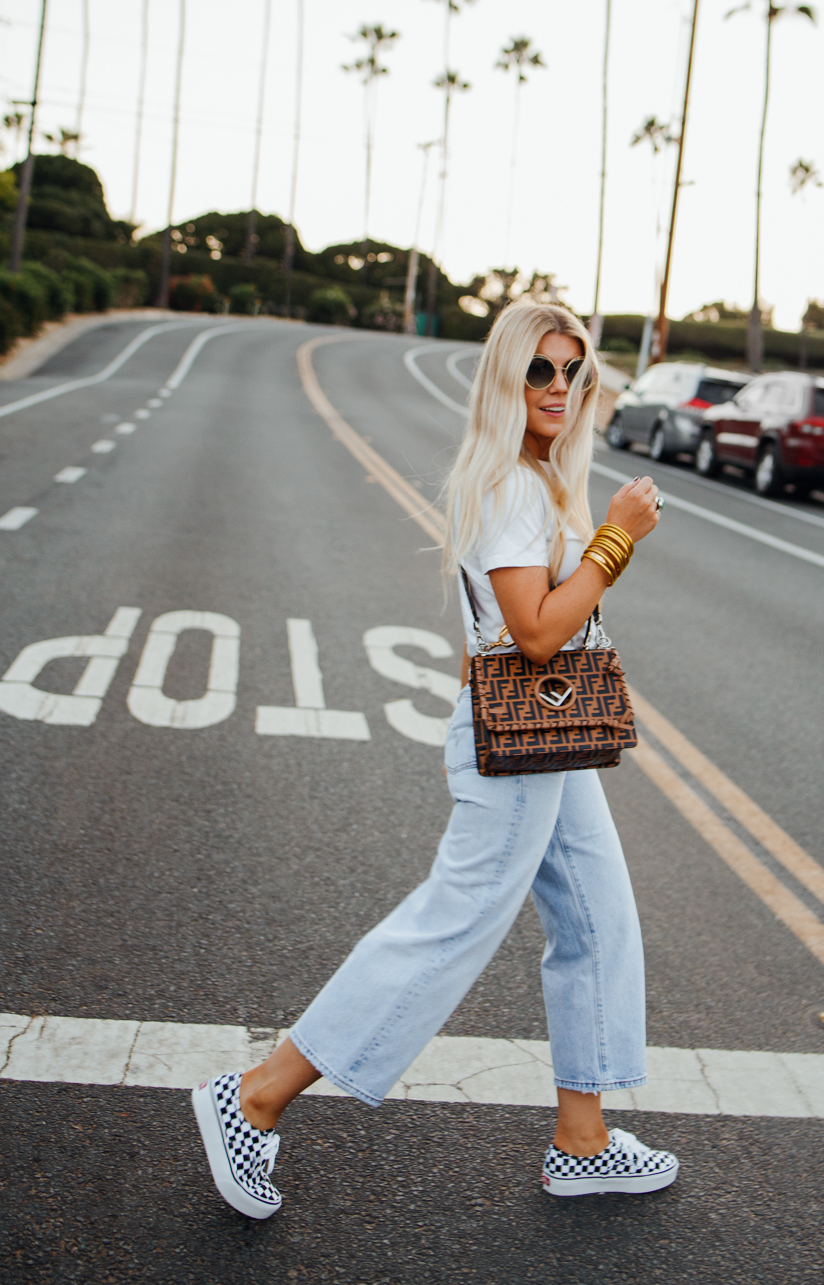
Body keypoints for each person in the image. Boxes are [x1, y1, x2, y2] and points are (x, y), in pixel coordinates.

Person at [191, 302, 677, 1217]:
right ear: (505, 377)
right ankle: (253, 1099)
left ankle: (584, 1141)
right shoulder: (507, 485)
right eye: (541, 369)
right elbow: (533, 635)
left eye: (574, 372)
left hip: (549, 739)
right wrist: (616, 541)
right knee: (450, 926)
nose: (560, 388)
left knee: (601, 921)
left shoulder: (534, 480)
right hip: (522, 741)